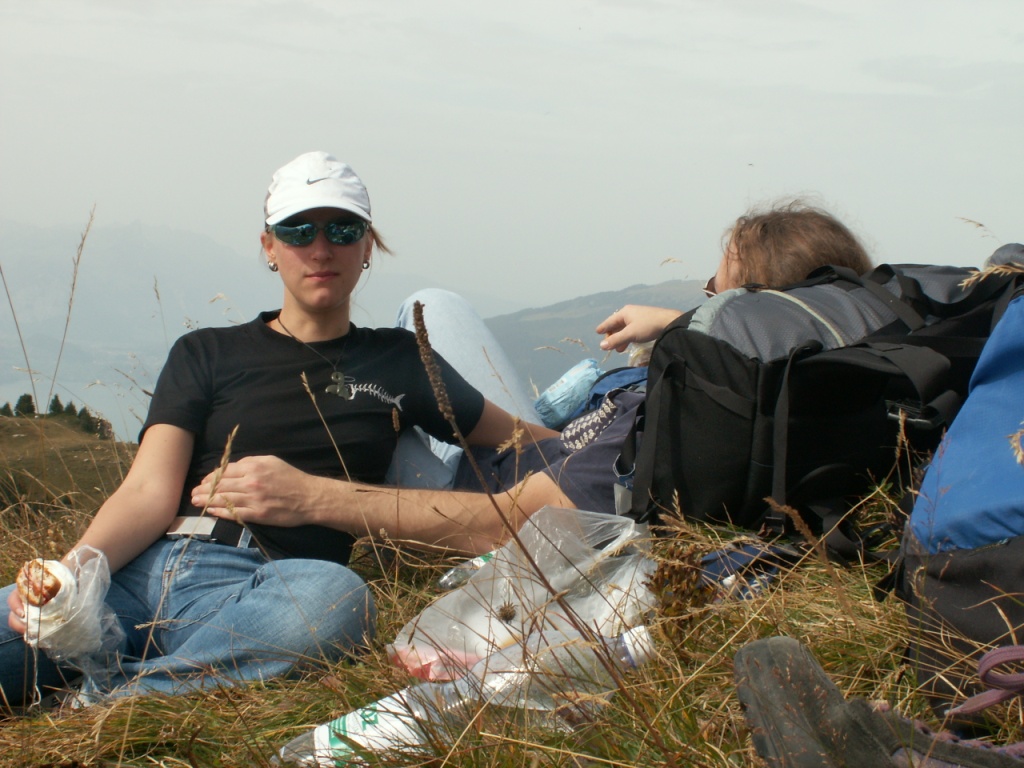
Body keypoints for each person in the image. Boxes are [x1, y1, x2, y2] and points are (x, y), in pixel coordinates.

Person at [1, 150, 564, 709]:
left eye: (342, 229)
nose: (320, 249)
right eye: (298, 231)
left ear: (368, 245)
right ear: (269, 246)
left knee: (337, 600)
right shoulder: (206, 352)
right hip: (140, 571)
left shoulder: (400, 360)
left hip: (263, 584)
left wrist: (606, 430)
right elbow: (148, 490)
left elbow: (524, 439)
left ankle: (106, 701)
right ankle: (146, 679)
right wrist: (75, 573)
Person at [595, 200, 873, 355]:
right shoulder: (877, 373)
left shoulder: (737, 409)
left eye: (714, 297)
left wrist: (677, 328)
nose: (708, 304)